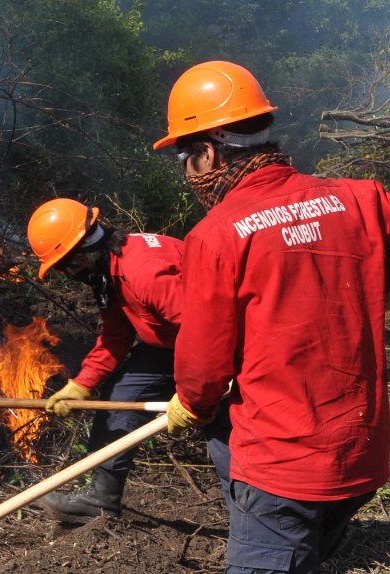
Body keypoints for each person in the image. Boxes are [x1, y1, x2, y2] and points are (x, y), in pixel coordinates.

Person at [155, 60, 390, 573]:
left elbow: (203, 364)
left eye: (184, 158)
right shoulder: (365, 200)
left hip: (283, 468)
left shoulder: (215, 235)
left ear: (208, 152)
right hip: (363, 453)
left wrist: (192, 403)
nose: (188, 174)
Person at [26, 197, 183, 522]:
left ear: (82, 253)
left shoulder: (145, 271)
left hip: (226, 347)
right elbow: (115, 336)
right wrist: (81, 386)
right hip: (171, 344)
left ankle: (261, 527)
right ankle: (101, 500)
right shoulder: (109, 270)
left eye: (67, 267)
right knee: (121, 395)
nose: (70, 275)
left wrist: (200, 391)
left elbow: (209, 331)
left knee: (226, 428)